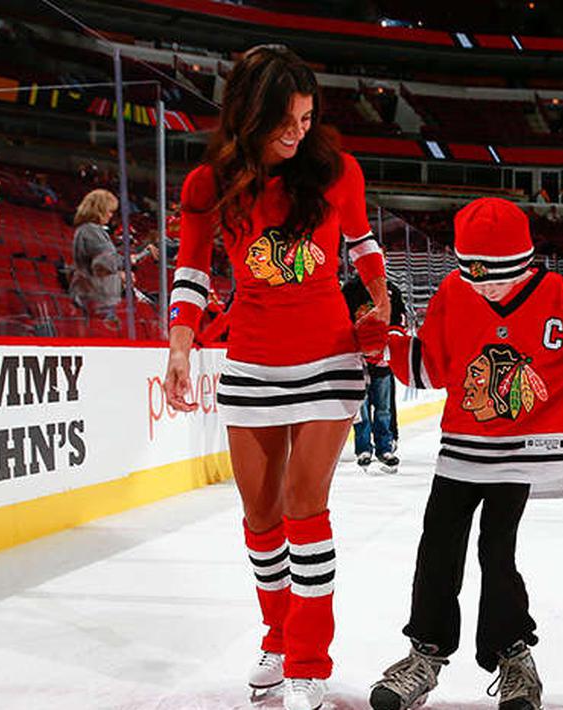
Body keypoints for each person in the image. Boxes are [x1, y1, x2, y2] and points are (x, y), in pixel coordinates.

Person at [161, 45, 390, 710]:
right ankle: (277, 634)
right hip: (252, 360)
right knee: (259, 516)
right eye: (283, 122)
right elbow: (192, 271)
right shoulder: (208, 185)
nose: (296, 133)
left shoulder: (336, 170)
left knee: (301, 505)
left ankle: (310, 658)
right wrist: (179, 347)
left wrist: (378, 299)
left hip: (328, 357)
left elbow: (362, 242)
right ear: (247, 116)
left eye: (306, 118)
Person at [362, 198, 563, 710]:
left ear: (524, 262)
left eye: (496, 278)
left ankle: (512, 653)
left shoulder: (554, 292)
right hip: (461, 447)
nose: (486, 288)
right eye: (477, 277)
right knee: (437, 547)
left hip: (523, 450)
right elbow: (431, 367)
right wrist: (387, 342)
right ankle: (426, 652)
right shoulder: (454, 291)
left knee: (496, 551)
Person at [343, 275, 406, 473]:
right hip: (357, 361)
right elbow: (342, 322)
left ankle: (384, 447)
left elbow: (398, 322)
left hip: (382, 361)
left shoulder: (391, 289)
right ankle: (363, 449)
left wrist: (388, 350)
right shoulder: (349, 289)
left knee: (383, 408)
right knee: (361, 410)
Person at [70, 189, 125, 319]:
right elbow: (103, 265)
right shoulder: (91, 231)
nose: (111, 215)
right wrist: (122, 269)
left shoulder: (88, 230)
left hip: (99, 299)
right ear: (99, 209)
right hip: (97, 300)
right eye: (109, 211)